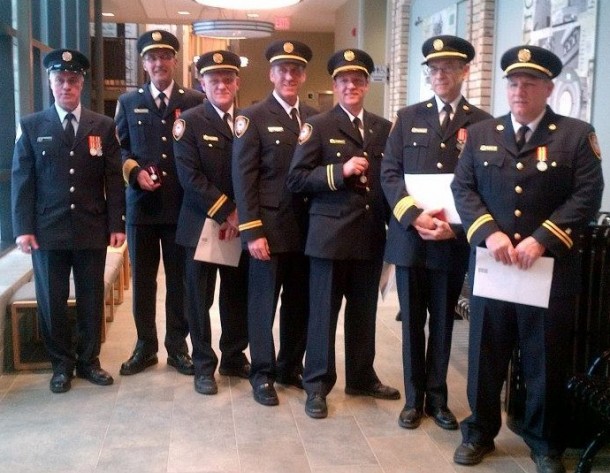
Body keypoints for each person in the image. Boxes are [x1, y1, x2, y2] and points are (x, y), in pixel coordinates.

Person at [451, 45, 603, 473]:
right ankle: (480, 431)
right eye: (514, 83)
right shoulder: (481, 134)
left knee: (544, 357)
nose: (519, 90)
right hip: (493, 265)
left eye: (530, 83)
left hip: (547, 268)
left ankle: (543, 442)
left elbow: (588, 195)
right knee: (485, 354)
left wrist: (542, 239)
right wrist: (488, 231)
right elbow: (463, 189)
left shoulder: (575, 135)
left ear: (549, 88)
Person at [381, 35, 492, 431]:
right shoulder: (407, 117)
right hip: (411, 239)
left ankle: (438, 398)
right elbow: (390, 174)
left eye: (449, 67)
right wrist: (413, 216)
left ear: (465, 71)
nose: (440, 74)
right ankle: (413, 399)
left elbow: (482, 187)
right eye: (434, 68)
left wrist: (456, 228)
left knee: (444, 323)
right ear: (427, 75)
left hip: (451, 239)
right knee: (412, 322)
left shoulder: (482, 124)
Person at [287, 48, 400, 419]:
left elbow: (389, 183)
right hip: (329, 238)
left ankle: (361, 376)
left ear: (367, 84)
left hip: (370, 236)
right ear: (334, 85)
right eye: (343, 80)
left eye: (358, 79)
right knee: (323, 314)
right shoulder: (317, 126)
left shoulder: (384, 128)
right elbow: (297, 179)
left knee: (364, 313)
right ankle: (317, 384)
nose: (351, 85)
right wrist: (340, 171)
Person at [11, 48, 126, 393]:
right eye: (60, 80)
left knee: (91, 298)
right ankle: (61, 364)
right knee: (53, 300)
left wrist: (116, 223)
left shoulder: (102, 126)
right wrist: (23, 228)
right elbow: (22, 180)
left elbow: (113, 178)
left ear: (81, 83)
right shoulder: (31, 126)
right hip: (48, 231)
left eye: (72, 80)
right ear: (50, 82)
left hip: (91, 227)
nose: (66, 86)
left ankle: (89, 361)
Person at [232, 40, 317, 407]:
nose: (289, 75)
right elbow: (244, 178)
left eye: (296, 69)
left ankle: (288, 366)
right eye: (283, 69)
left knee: (299, 304)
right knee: (262, 305)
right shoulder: (252, 117)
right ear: (271, 74)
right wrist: (252, 231)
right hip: (267, 230)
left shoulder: (315, 117)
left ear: (303, 75)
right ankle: (262, 373)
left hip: (305, 230)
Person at [115, 30, 204, 377]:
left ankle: (177, 347)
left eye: (165, 56)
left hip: (182, 206)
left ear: (174, 61)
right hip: (142, 208)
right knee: (144, 282)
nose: (158, 63)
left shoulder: (194, 100)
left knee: (180, 281)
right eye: (152, 57)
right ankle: (145, 346)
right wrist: (135, 172)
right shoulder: (129, 102)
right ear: (144, 63)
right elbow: (119, 149)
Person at [173, 50, 250, 395]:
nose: (221, 84)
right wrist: (229, 211)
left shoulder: (248, 120)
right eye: (214, 79)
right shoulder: (187, 121)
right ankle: (204, 364)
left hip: (239, 226)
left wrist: (242, 216)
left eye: (228, 78)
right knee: (198, 299)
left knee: (237, 296)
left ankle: (234, 355)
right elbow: (190, 177)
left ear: (237, 82)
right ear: (202, 83)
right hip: (201, 224)